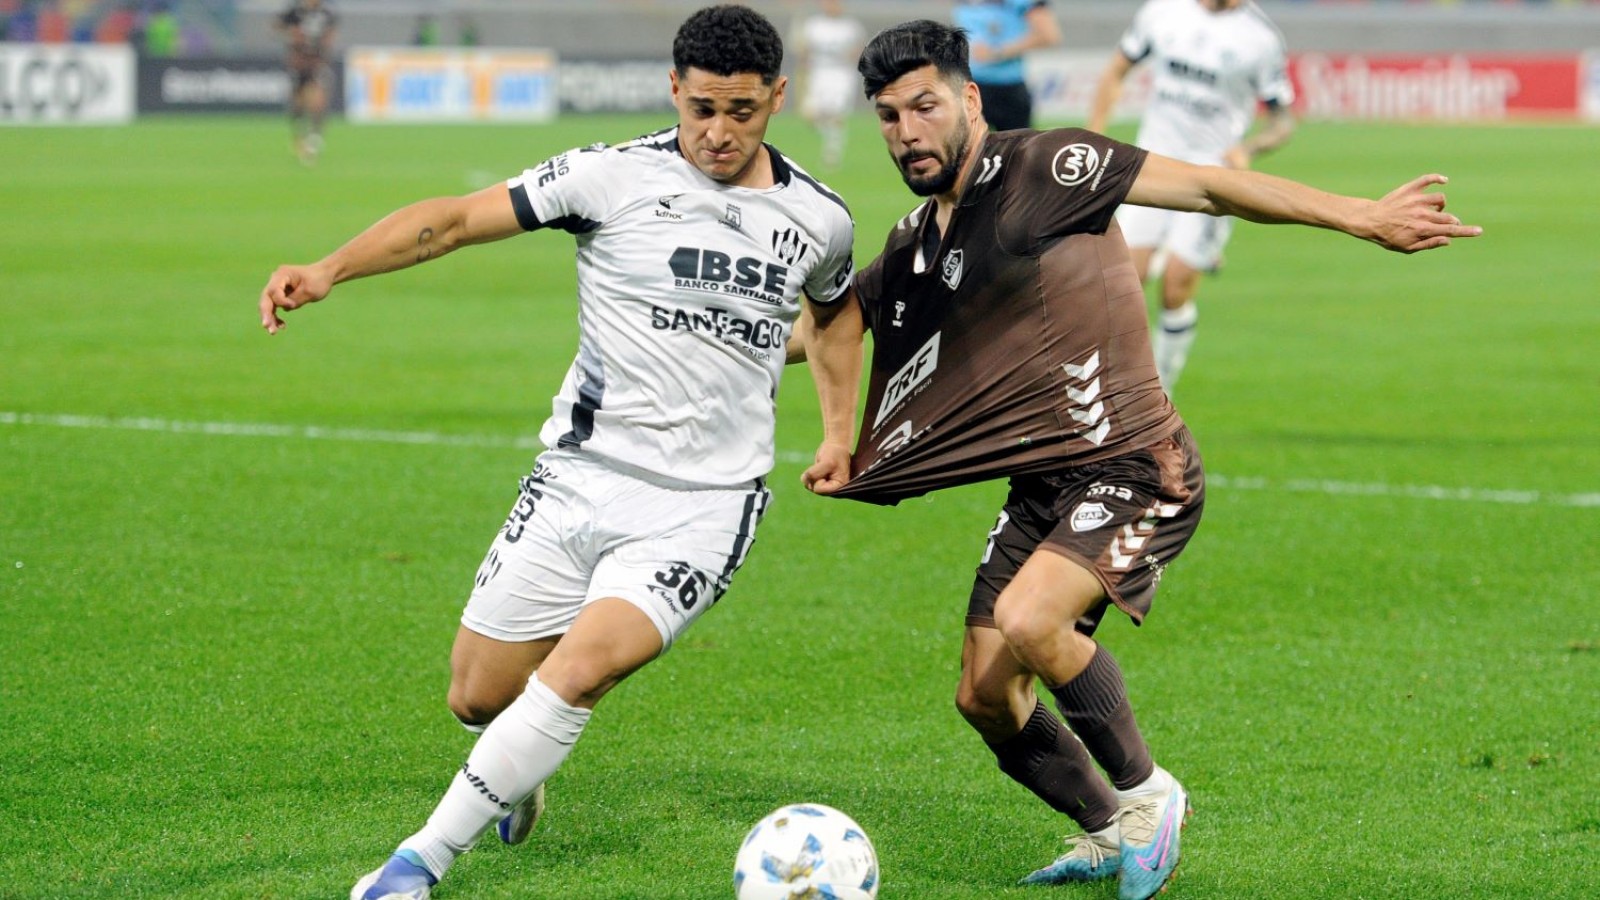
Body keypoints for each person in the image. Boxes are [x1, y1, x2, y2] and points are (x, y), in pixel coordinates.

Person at [797, 20, 1478, 900]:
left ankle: (1150, 795)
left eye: (924, 107)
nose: (907, 132)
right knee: (983, 695)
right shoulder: (918, 240)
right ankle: (1107, 829)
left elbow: (1207, 185)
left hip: (1136, 464)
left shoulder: (1049, 166)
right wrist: (715, 332)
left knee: (1031, 620)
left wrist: (1361, 215)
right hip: (1043, 482)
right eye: (889, 117)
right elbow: (833, 323)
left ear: (968, 98)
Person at [257, 7, 860, 899]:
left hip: (704, 506)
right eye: (701, 108)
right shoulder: (607, 176)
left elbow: (835, 318)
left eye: (741, 111)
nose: (719, 132)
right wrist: (328, 269)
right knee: (477, 695)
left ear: (779, 96)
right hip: (578, 476)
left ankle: (413, 868)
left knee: (580, 670)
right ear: (673, 90)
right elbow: (454, 221)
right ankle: (514, 766)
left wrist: (839, 434)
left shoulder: (818, 217)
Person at [1088, 0, 1297, 393]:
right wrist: (1095, 135)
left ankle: (1160, 392)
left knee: (1175, 286)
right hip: (1150, 166)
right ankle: (1112, 388)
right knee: (1123, 283)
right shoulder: (1162, 11)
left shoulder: (1262, 37)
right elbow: (1116, 70)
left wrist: (1249, 148)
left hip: (1212, 177)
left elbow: (1282, 118)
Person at [951, 0, 1060, 132]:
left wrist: (997, 52)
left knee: (1016, 143)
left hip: (1007, 89)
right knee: (961, 142)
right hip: (968, 84)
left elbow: (1048, 35)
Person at [795, 0, 866, 168]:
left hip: (841, 76)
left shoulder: (851, 27)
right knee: (810, 115)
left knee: (836, 115)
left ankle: (832, 153)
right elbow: (804, 51)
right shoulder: (813, 25)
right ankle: (832, 137)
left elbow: (860, 50)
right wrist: (803, 72)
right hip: (818, 75)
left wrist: (852, 56)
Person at [277, 0, 338, 165]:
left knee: (318, 101)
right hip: (298, 64)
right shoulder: (295, 11)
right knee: (297, 103)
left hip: (317, 62)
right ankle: (299, 137)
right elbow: (277, 26)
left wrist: (322, 49)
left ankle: (315, 137)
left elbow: (330, 35)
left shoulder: (327, 12)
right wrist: (291, 35)